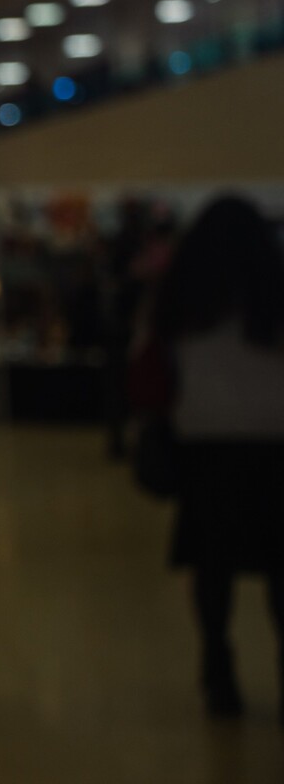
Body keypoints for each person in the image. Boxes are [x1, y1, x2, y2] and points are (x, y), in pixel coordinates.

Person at [135, 195, 284, 721]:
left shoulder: (180, 298)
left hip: (203, 442)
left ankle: (219, 671)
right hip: (275, 443)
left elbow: (149, 365)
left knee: (211, 566)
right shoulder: (272, 292)